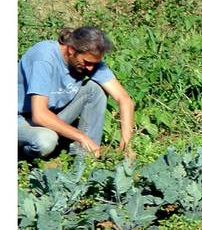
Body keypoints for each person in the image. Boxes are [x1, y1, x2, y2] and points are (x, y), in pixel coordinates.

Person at [17, 26, 136, 159]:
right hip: (20, 118)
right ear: (71, 50)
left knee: (94, 89)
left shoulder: (90, 62)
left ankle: (86, 157)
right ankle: (22, 159)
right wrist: (81, 137)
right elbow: (39, 115)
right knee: (46, 141)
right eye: (87, 62)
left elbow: (124, 99)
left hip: (48, 116)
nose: (91, 68)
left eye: (94, 64)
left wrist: (126, 145)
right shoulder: (44, 57)